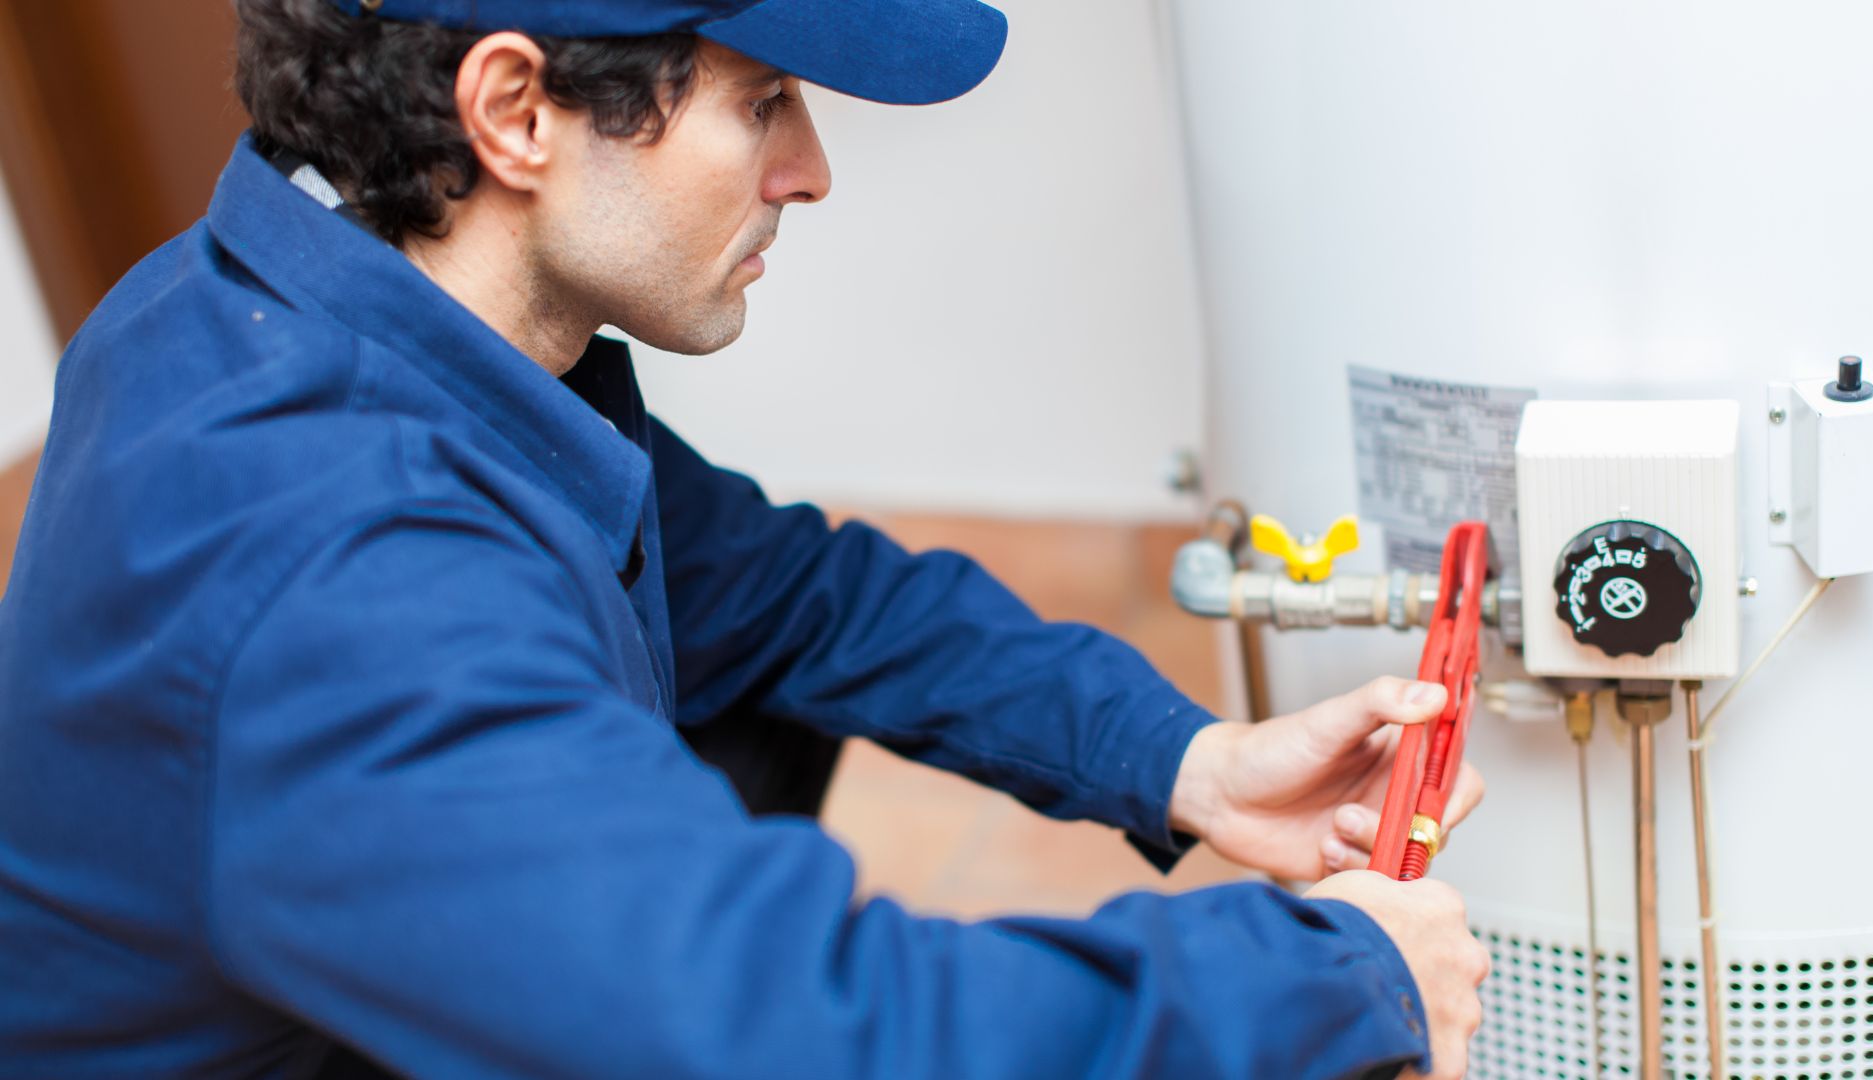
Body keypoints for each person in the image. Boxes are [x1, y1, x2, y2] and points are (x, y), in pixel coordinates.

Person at [0, 0, 1491, 1076]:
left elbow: (793, 597)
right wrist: (1330, 980)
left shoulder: (307, 296)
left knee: (749, 681)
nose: (809, 168)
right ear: (516, 112)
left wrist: (1185, 762)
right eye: (761, 95)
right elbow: (801, 1030)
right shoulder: (340, 580)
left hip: (366, 965)